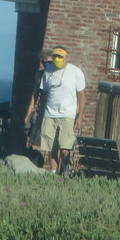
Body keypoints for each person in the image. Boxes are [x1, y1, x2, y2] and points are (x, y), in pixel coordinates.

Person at [30, 46, 86, 174]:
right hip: (50, 114)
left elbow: (82, 95)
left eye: (60, 57)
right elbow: (44, 96)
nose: (57, 59)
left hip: (68, 114)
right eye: (55, 56)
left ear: (65, 58)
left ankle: (65, 170)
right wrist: (40, 115)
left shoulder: (75, 72)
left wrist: (80, 116)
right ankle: (54, 173)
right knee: (51, 147)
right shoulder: (47, 73)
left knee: (65, 146)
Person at [23, 48, 54, 152]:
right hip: (40, 111)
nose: (46, 65)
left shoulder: (56, 76)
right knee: (33, 140)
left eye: (49, 62)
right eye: (44, 62)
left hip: (52, 111)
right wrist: (27, 116)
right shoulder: (39, 75)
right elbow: (35, 96)